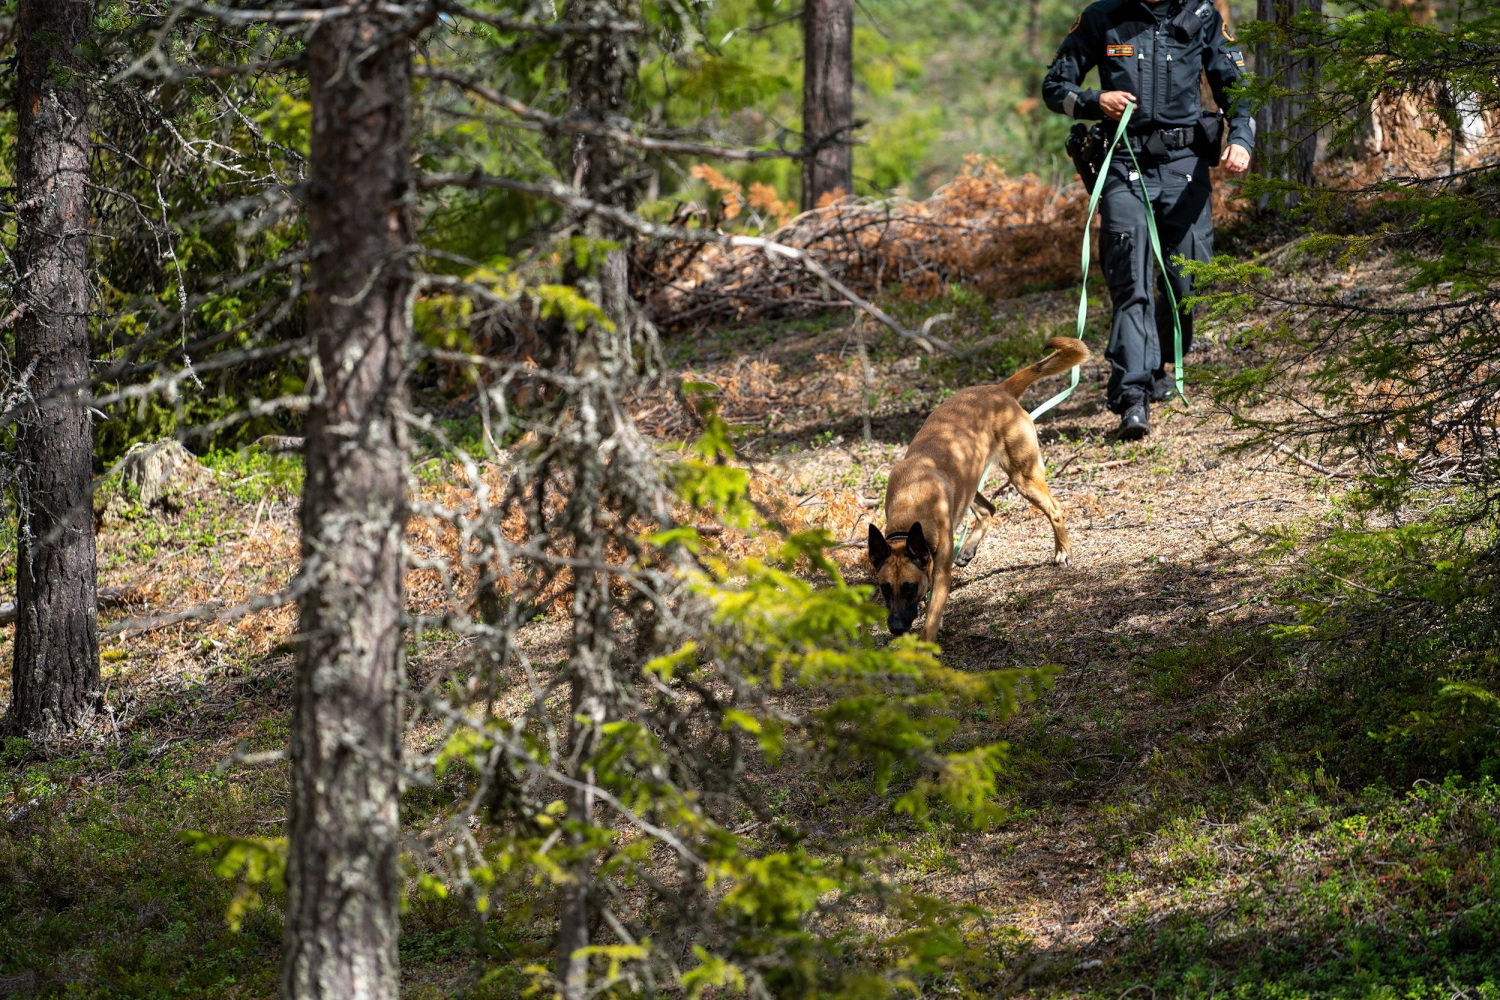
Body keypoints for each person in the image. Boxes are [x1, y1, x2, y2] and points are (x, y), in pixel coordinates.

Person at [1043, 0, 1254, 439]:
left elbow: (1238, 89)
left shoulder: (1202, 15)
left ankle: (1161, 362)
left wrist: (1243, 140)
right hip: (1123, 163)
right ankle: (1132, 398)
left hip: (1185, 166)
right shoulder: (1103, 16)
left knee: (1187, 281)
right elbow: (1054, 87)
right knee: (1131, 281)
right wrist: (1093, 100)